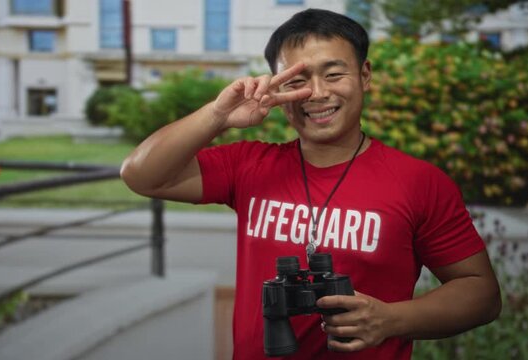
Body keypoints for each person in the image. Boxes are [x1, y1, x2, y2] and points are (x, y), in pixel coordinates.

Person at [121, 8, 501, 359]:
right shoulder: (250, 165)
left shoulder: (418, 181)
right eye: (298, 81)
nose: (317, 94)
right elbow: (140, 174)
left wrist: (389, 319)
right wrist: (218, 115)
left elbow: (480, 293)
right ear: (278, 89)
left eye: (334, 75)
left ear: (365, 75)